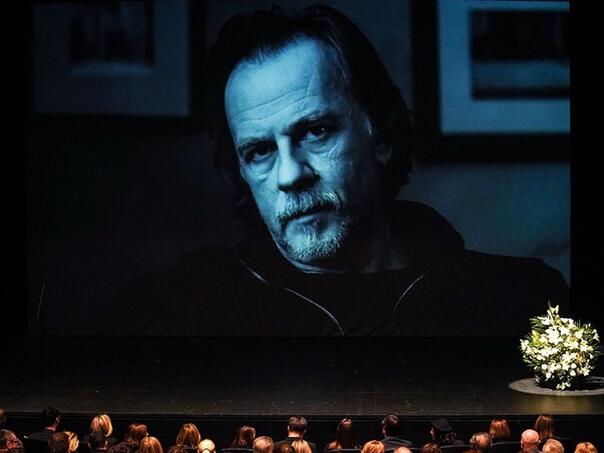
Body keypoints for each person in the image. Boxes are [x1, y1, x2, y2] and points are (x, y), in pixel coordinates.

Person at [96, 2, 569, 337]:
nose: (289, 176)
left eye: (317, 131)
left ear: (379, 135)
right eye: (259, 151)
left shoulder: (523, 299)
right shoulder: (180, 307)